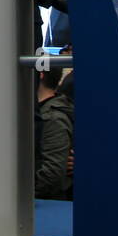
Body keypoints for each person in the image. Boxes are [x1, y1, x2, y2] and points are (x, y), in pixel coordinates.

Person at [34, 68, 72, 200]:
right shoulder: (39, 111)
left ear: (40, 75)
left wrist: (22, 193)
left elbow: (52, 175)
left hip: (46, 205)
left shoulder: (52, 118)